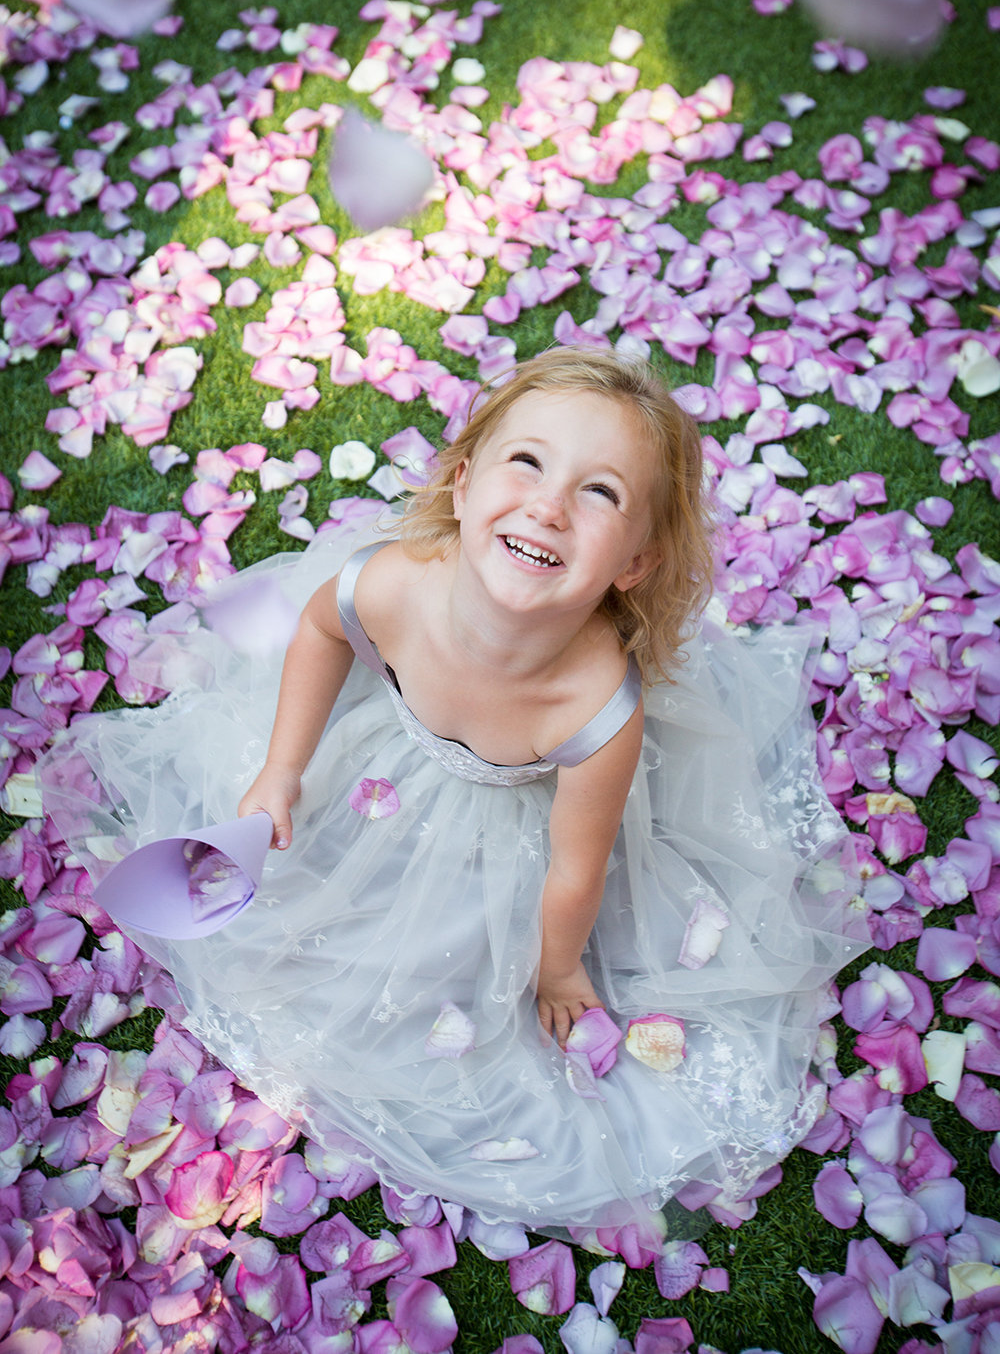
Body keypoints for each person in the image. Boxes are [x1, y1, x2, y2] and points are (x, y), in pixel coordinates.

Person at [39, 348, 869, 1241]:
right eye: (527, 462)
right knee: (294, 886)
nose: (549, 505)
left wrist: (555, 968)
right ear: (465, 484)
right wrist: (283, 769)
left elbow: (574, 867)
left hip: (511, 813)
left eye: (601, 493)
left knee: (464, 946)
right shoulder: (394, 586)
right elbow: (319, 633)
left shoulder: (593, 706)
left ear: (635, 562)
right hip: (386, 752)